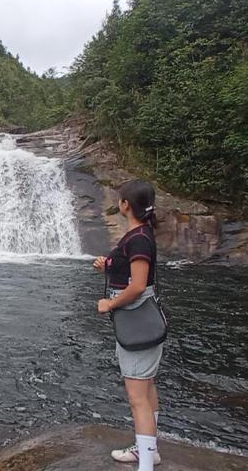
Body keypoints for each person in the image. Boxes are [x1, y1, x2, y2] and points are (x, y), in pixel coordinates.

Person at [93, 179, 162, 469]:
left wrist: (110, 303)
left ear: (125, 205)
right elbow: (131, 271)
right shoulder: (140, 234)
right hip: (138, 317)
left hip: (136, 316)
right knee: (146, 387)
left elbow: (137, 286)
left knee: (138, 398)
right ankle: (150, 450)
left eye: (120, 200)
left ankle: (145, 463)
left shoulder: (138, 238)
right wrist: (108, 266)